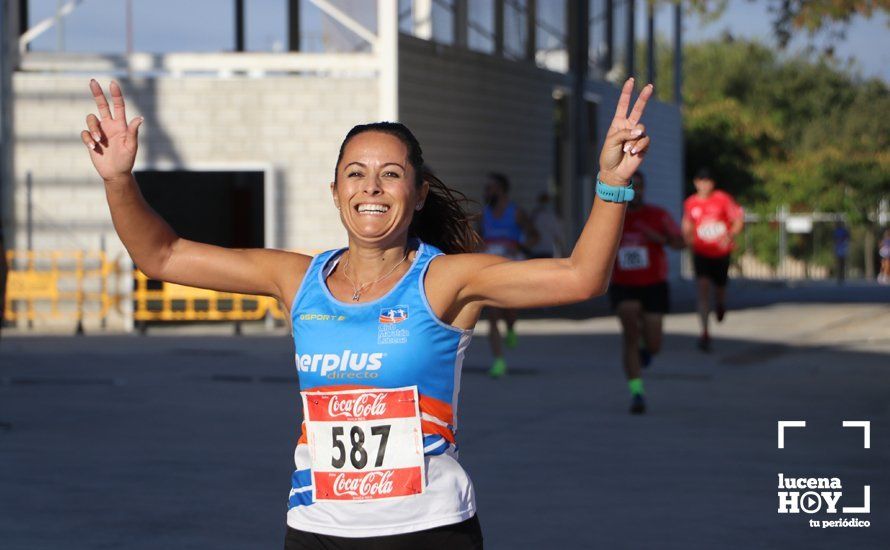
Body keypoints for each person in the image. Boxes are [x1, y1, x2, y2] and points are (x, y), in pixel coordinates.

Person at [81, 77, 653, 549]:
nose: (371, 187)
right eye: (355, 173)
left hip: (427, 530)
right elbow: (161, 255)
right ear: (335, 191)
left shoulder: (447, 279)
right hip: (316, 531)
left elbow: (581, 276)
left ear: (419, 192)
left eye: (391, 173)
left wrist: (610, 184)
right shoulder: (296, 279)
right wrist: (118, 181)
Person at [609, 172, 684, 414]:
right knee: (630, 333)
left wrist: (659, 238)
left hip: (653, 284)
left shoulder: (657, 215)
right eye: (631, 186)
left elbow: (680, 243)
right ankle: (637, 392)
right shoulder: (612, 217)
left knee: (654, 345)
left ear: (644, 190)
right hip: (624, 284)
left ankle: (645, 346)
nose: (636, 191)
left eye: (639, 187)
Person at [479, 173, 538, 378]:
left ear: (501, 190)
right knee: (493, 314)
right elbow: (478, 239)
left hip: (512, 267)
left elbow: (534, 235)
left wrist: (520, 247)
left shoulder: (516, 213)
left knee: (510, 310)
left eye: (490, 188)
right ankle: (498, 361)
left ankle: (511, 327)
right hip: (491, 269)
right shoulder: (484, 214)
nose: (486, 192)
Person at [681, 168, 744, 352]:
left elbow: (738, 219)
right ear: (696, 182)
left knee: (720, 287)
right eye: (701, 180)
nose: (704, 184)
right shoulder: (690, 203)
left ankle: (721, 304)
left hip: (721, 252)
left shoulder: (722, 199)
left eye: (708, 181)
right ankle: (704, 331)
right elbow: (687, 225)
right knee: (702, 289)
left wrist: (730, 234)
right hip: (701, 252)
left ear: (712, 183)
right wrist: (688, 240)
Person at [528, 192, 565, 259]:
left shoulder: (534, 215)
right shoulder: (551, 216)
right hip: (546, 249)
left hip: (536, 250)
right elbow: (558, 235)